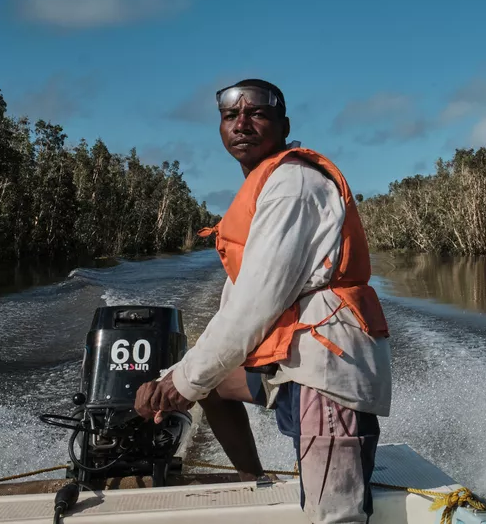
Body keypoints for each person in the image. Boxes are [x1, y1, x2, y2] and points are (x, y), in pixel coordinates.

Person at [134, 79, 392, 524]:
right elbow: (235, 305)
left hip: (324, 365)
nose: (242, 123)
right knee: (212, 386)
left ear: (283, 124)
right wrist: (175, 377)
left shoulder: (293, 184)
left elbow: (256, 304)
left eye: (257, 114)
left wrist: (180, 385)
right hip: (291, 357)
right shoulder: (263, 185)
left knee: (336, 517)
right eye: (231, 115)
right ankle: (255, 485)